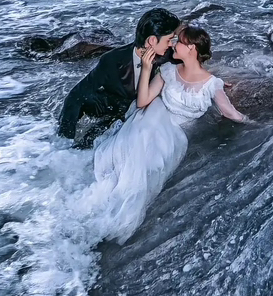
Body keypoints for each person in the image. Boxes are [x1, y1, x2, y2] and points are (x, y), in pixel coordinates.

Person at [79, 25, 248, 244]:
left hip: (174, 133)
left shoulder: (212, 84)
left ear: (192, 49)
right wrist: (148, 69)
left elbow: (231, 113)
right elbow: (142, 102)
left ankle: (105, 213)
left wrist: (257, 124)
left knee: (146, 167)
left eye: (179, 42)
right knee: (137, 146)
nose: (174, 44)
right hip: (150, 118)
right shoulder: (168, 70)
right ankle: (99, 205)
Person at [57, 8, 181, 141]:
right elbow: (77, 95)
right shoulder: (112, 59)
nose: (171, 44)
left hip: (144, 117)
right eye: (168, 40)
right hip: (114, 109)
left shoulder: (171, 58)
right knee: (86, 136)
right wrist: (64, 139)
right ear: (152, 40)